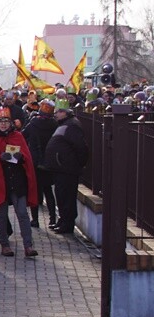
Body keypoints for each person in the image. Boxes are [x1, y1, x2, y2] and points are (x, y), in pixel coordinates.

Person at [0, 106, 38, 257]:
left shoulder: (17, 136)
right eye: (0, 121)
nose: (3, 124)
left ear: (11, 122)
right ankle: (4, 244)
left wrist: (21, 157)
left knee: (22, 214)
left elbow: (26, 157)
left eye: (6, 121)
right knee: (1, 215)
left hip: (17, 182)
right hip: (0, 182)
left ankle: (28, 245)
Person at [43, 99, 89, 234]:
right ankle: (62, 220)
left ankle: (67, 224)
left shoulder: (72, 125)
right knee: (61, 196)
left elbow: (81, 147)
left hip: (67, 169)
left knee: (67, 197)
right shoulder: (64, 124)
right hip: (61, 168)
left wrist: (77, 163)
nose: (55, 114)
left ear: (65, 112)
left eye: (58, 112)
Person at [22, 98, 58, 228]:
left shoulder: (33, 123)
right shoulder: (55, 125)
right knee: (48, 191)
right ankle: (52, 219)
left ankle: (35, 220)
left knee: (35, 191)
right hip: (49, 160)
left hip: (34, 161)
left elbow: (23, 136)